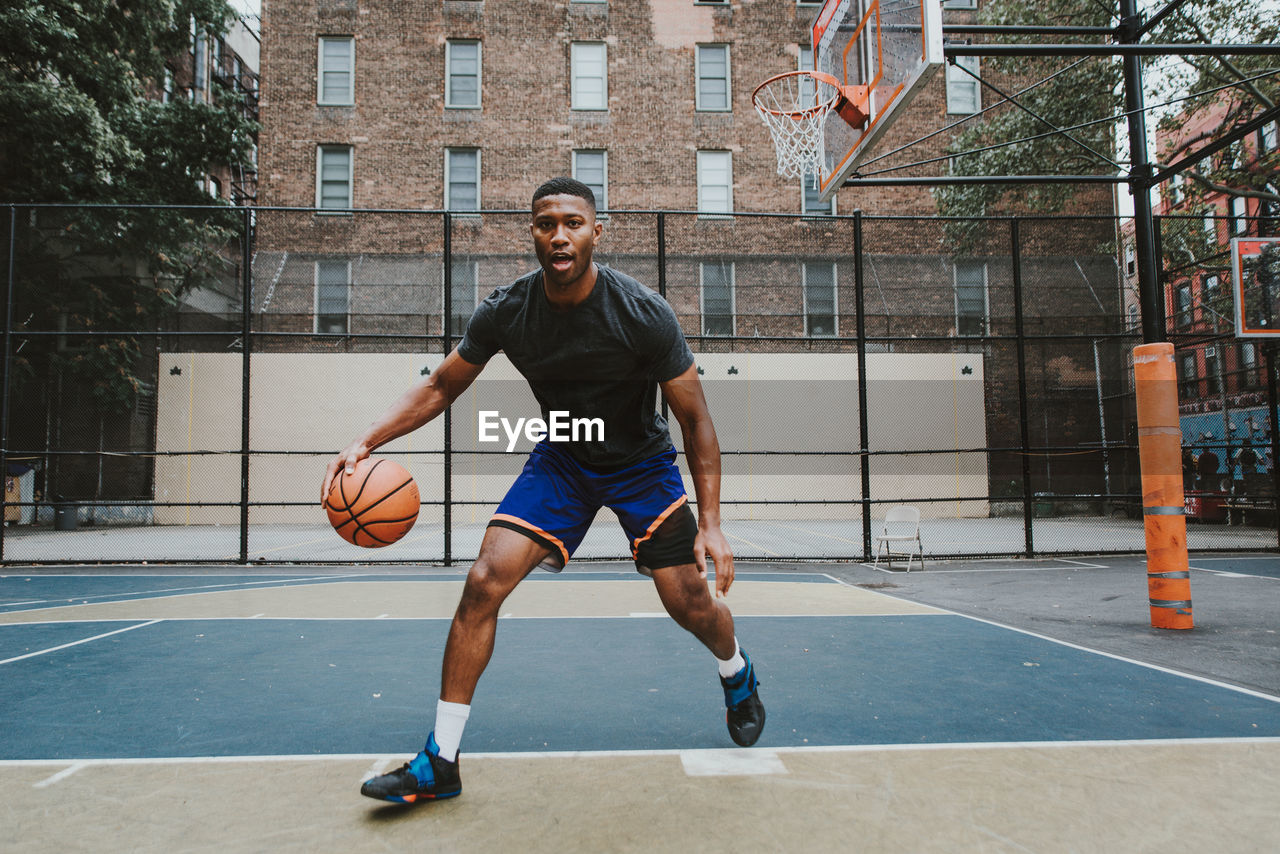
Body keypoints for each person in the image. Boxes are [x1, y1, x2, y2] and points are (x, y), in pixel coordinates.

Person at [323, 177, 764, 804]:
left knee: (689, 604)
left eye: (573, 223)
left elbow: (696, 420)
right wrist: (367, 440)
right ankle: (440, 759)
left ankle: (736, 670)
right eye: (545, 223)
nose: (559, 234)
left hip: (641, 464)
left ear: (596, 232)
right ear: (532, 232)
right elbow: (440, 387)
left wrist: (714, 524)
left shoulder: (642, 313)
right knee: (483, 581)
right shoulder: (509, 310)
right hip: (563, 459)